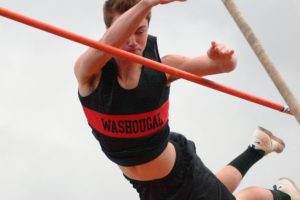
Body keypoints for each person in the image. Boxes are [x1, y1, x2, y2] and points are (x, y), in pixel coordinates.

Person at [74, 0, 300, 199]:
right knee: (217, 191)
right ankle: (258, 149)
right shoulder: (90, 74)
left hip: (181, 172)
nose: (133, 41)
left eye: (140, 31)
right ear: (109, 31)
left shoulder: (162, 67)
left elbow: (224, 66)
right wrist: (146, 3)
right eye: (126, 31)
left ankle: (282, 194)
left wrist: (223, 58)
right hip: (145, 185)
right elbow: (107, 43)